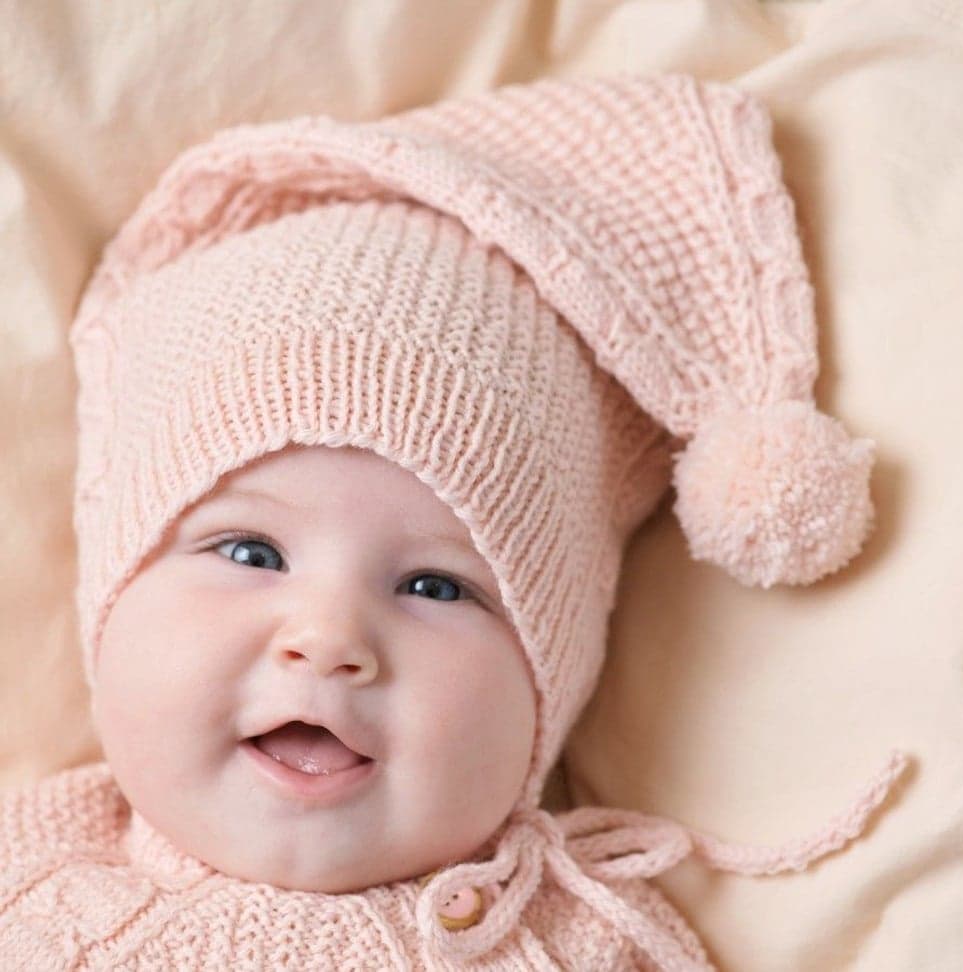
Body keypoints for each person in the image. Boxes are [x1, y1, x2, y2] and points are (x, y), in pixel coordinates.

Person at [0, 72, 911, 970]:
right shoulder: (27, 882)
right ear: (108, 594)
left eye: (435, 586)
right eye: (251, 551)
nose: (328, 640)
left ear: (551, 696)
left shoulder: (584, 945)